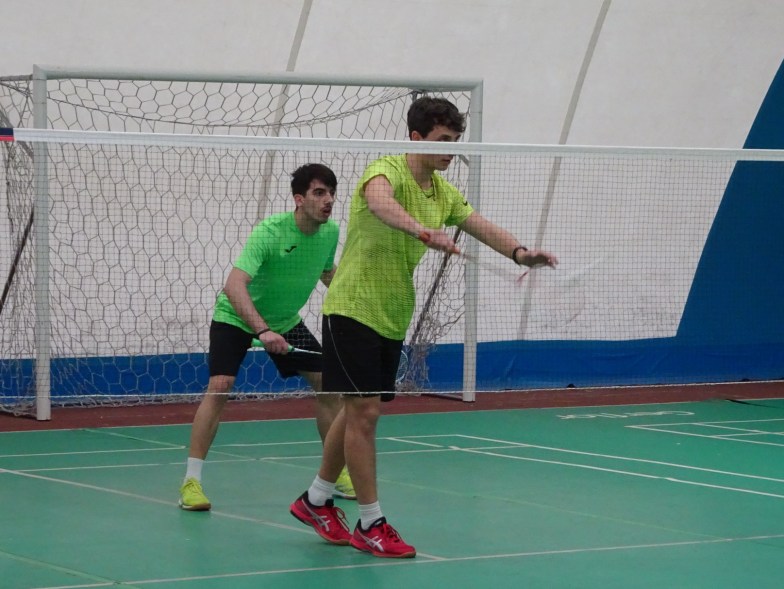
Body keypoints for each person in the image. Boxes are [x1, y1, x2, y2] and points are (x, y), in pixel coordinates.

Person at [288, 97, 559, 557]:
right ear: (416, 138)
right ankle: (371, 523)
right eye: (442, 140)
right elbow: (380, 203)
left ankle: (315, 500)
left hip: (392, 312)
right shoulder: (386, 170)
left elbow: (479, 224)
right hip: (353, 306)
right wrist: (421, 231)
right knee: (365, 413)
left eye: (455, 141)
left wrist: (519, 253)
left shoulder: (443, 193)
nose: (450, 149)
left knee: (357, 411)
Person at [179, 163, 355, 511]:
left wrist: (355, 306)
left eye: (332, 193)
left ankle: (335, 474)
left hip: (285, 320)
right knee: (221, 385)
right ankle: (191, 482)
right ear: (299, 199)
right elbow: (234, 285)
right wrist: (262, 330)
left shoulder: (330, 232)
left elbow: (326, 272)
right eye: (320, 193)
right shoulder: (270, 232)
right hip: (236, 316)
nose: (329, 200)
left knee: (327, 384)